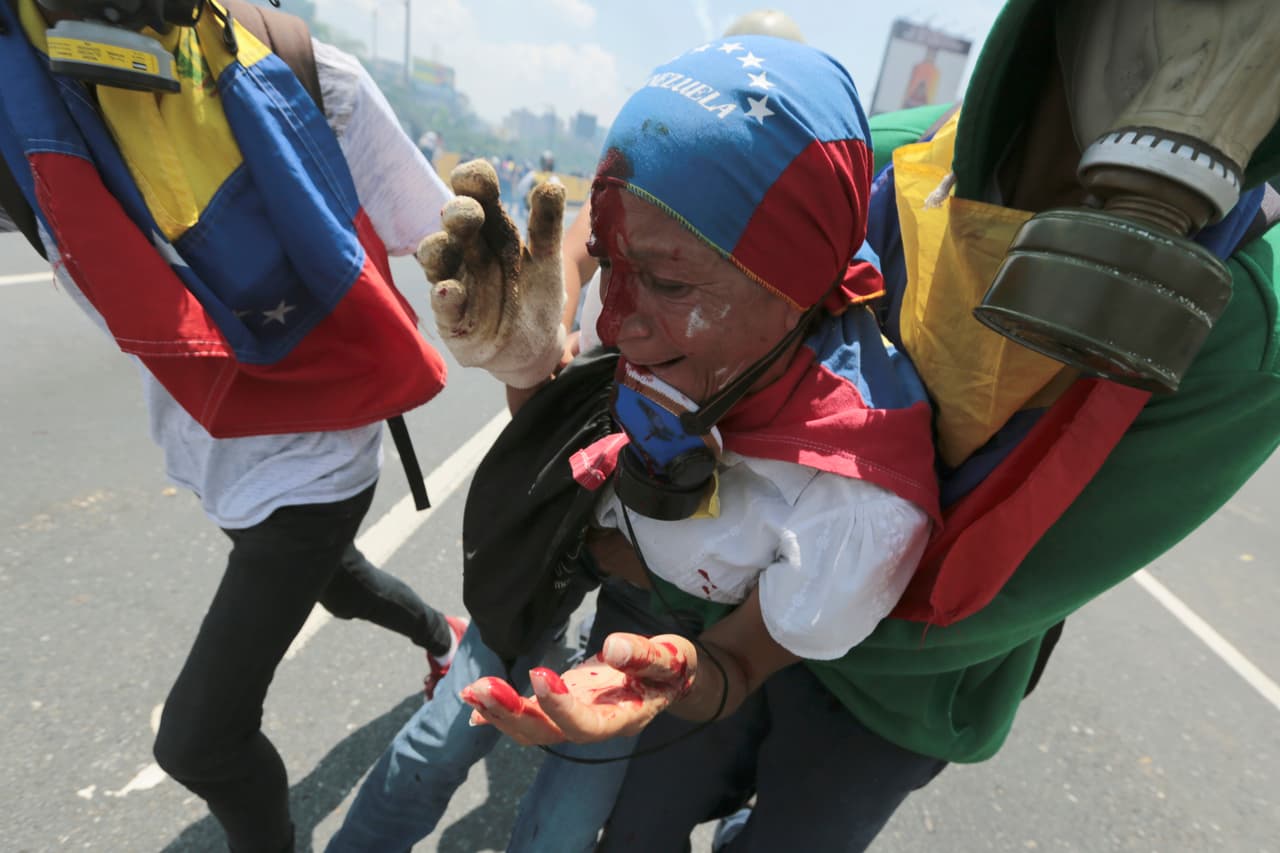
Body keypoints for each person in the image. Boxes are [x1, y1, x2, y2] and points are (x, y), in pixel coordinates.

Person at [472, 2, 1280, 851]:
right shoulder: (862, 163)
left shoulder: (1239, 338)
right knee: (639, 824)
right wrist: (537, 359)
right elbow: (642, 337)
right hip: (719, 607)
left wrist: (688, 594)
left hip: (897, 696)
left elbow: (984, 603)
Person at [0, 2, 554, 850]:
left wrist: (522, 328)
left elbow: (454, 247)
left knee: (199, 739)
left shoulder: (300, 71)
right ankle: (439, 633)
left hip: (317, 446)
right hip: (213, 433)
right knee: (333, 578)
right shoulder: (23, 97)